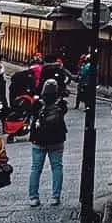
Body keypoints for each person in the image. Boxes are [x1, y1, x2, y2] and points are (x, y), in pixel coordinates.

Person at [28, 79, 67, 207]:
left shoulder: (37, 104)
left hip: (39, 139)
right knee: (57, 167)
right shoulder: (61, 105)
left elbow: (32, 115)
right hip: (56, 139)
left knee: (35, 168)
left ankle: (33, 197)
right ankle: (55, 197)